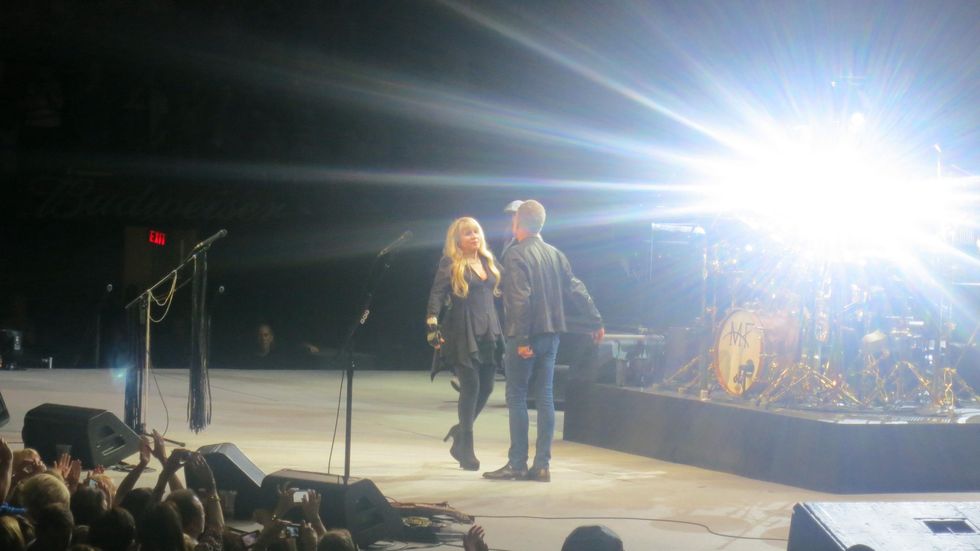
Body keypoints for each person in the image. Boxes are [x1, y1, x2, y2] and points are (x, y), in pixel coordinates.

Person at [484, 200, 604, 482]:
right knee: (545, 397)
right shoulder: (555, 253)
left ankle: (517, 464)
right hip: (552, 335)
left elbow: (520, 299)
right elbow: (576, 288)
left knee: (516, 397)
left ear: (517, 224)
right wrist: (595, 320)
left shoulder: (515, 254)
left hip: (525, 336)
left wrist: (522, 338)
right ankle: (542, 465)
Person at [427, 217, 504, 471]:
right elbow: (437, 293)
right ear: (457, 240)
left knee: (488, 387)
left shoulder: (488, 261)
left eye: (477, 232)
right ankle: (466, 447)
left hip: (488, 329)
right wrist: (432, 323)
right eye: (468, 233)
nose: (474, 236)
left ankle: (459, 431)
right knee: (470, 386)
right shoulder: (450, 262)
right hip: (462, 329)